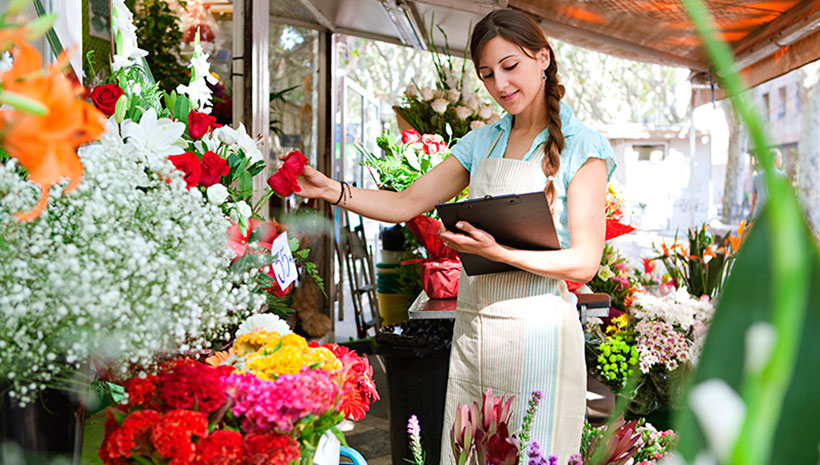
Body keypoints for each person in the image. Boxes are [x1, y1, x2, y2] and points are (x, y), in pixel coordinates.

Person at [284, 8, 615, 463]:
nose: (500, 85)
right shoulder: (481, 143)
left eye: (510, 66)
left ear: (543, 58)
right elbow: (404, 204)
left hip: (539, 337)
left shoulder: (583, 147)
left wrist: (498, 251)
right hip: (478, 332)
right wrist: (334, 191)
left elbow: (583, 262)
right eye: (487, 74)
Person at [750, 148, 785, 217]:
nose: (781, 161)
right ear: (775, 159)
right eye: (780, 158)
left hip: (758, 215)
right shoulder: (783, 177)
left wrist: (752, 217)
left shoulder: (757, 177)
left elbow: (753, 199)